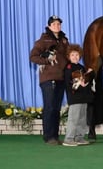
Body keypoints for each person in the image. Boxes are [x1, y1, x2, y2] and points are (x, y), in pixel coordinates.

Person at [30, 15, 69, 145]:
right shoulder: (43, 40)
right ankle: (48, 136)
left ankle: (55, 136)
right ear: (49, 26)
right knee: (50, 107)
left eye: (58, 24)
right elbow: (33, 57)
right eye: (54, 24)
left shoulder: (64, 40)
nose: (57, 26)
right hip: (48, 78)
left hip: (61, 78)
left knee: (56, 108)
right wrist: (46, 61)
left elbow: (67, 57)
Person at [63, 44, 96, 146]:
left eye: (77, 55)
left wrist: (90, 74)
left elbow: (88, 81)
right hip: (74, 97)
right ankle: (68, 138)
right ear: (69, 56)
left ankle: (79, 137)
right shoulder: (68, 67)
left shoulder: (82, 67)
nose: (75, 57)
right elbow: (68, 82)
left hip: (84, 97)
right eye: (72, 55)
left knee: (82, 118)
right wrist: (77, 84)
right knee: (74, 118)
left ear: (80, 56)